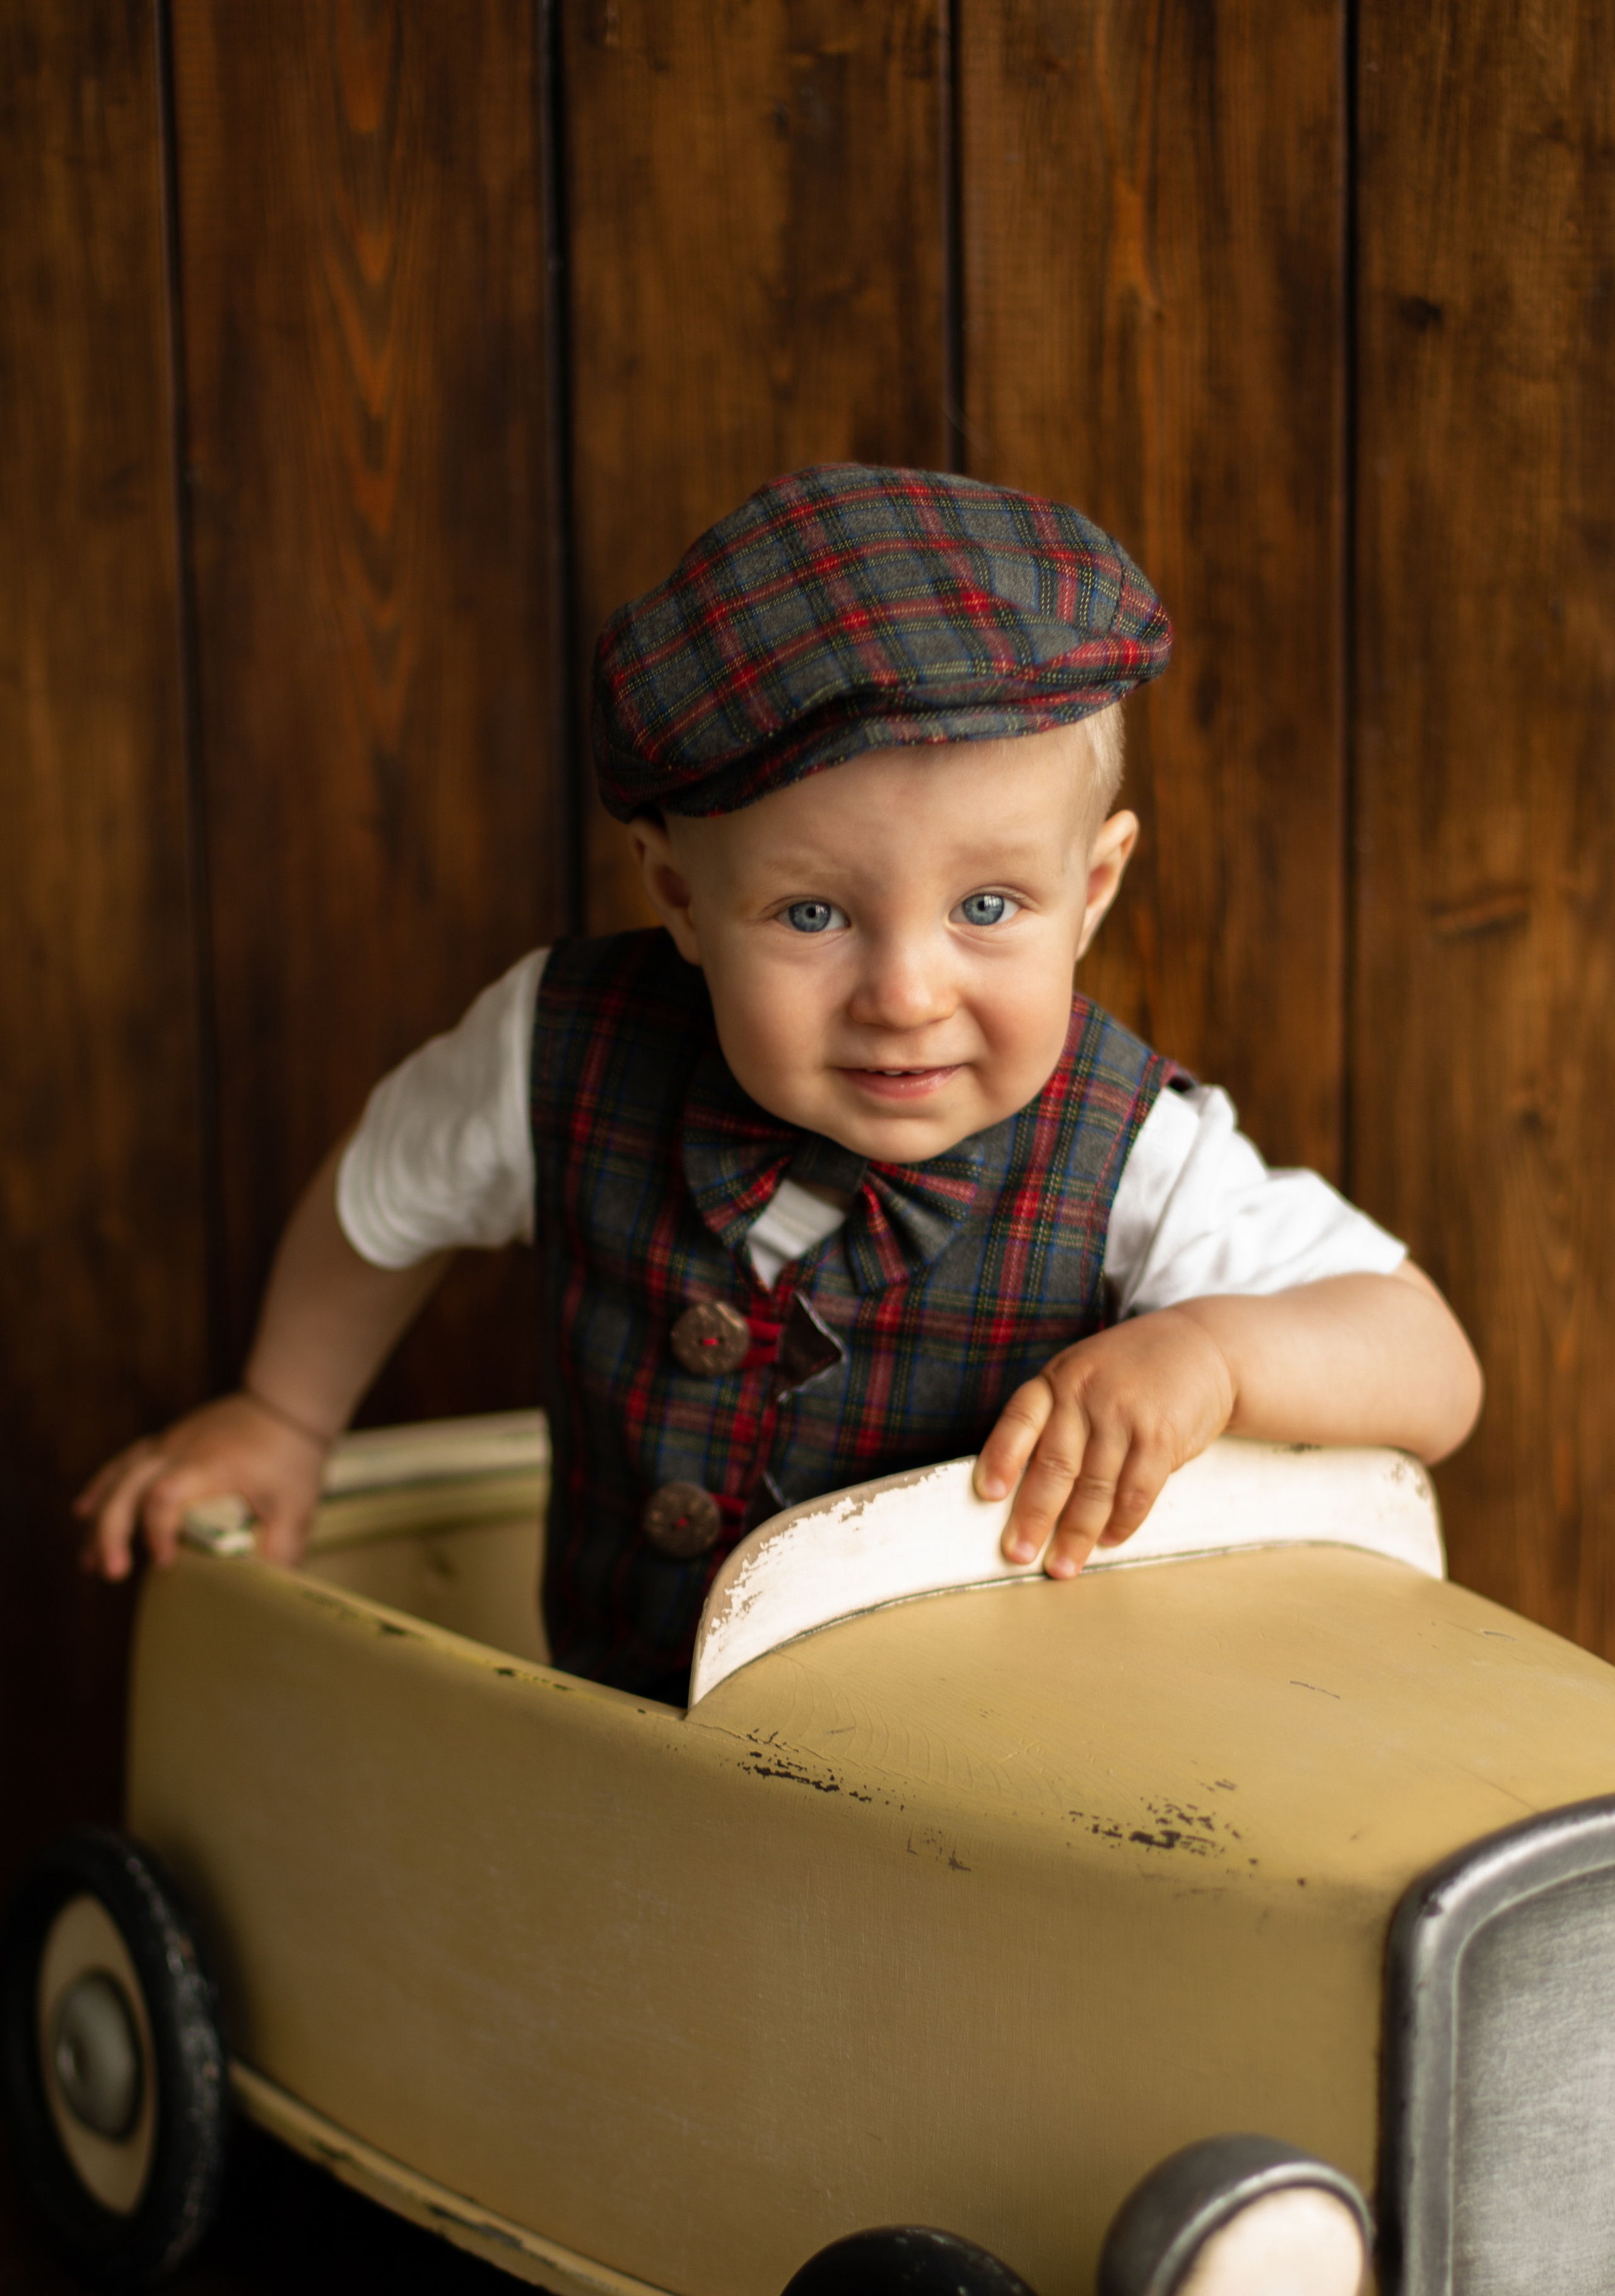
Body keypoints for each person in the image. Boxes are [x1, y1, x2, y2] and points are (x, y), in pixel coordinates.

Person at [79, 466, 1482, 1700]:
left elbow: (1432, 1369)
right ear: (679, 896)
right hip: (608, 1726)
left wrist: (1216, 1356)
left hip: (967, 1802)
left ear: (1093, 885)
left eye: (987, 908)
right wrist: (285, 1416)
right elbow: (378, 1206)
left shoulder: (1133, 1163)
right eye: (812, 916)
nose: (906, 993)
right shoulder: (554, 1047)